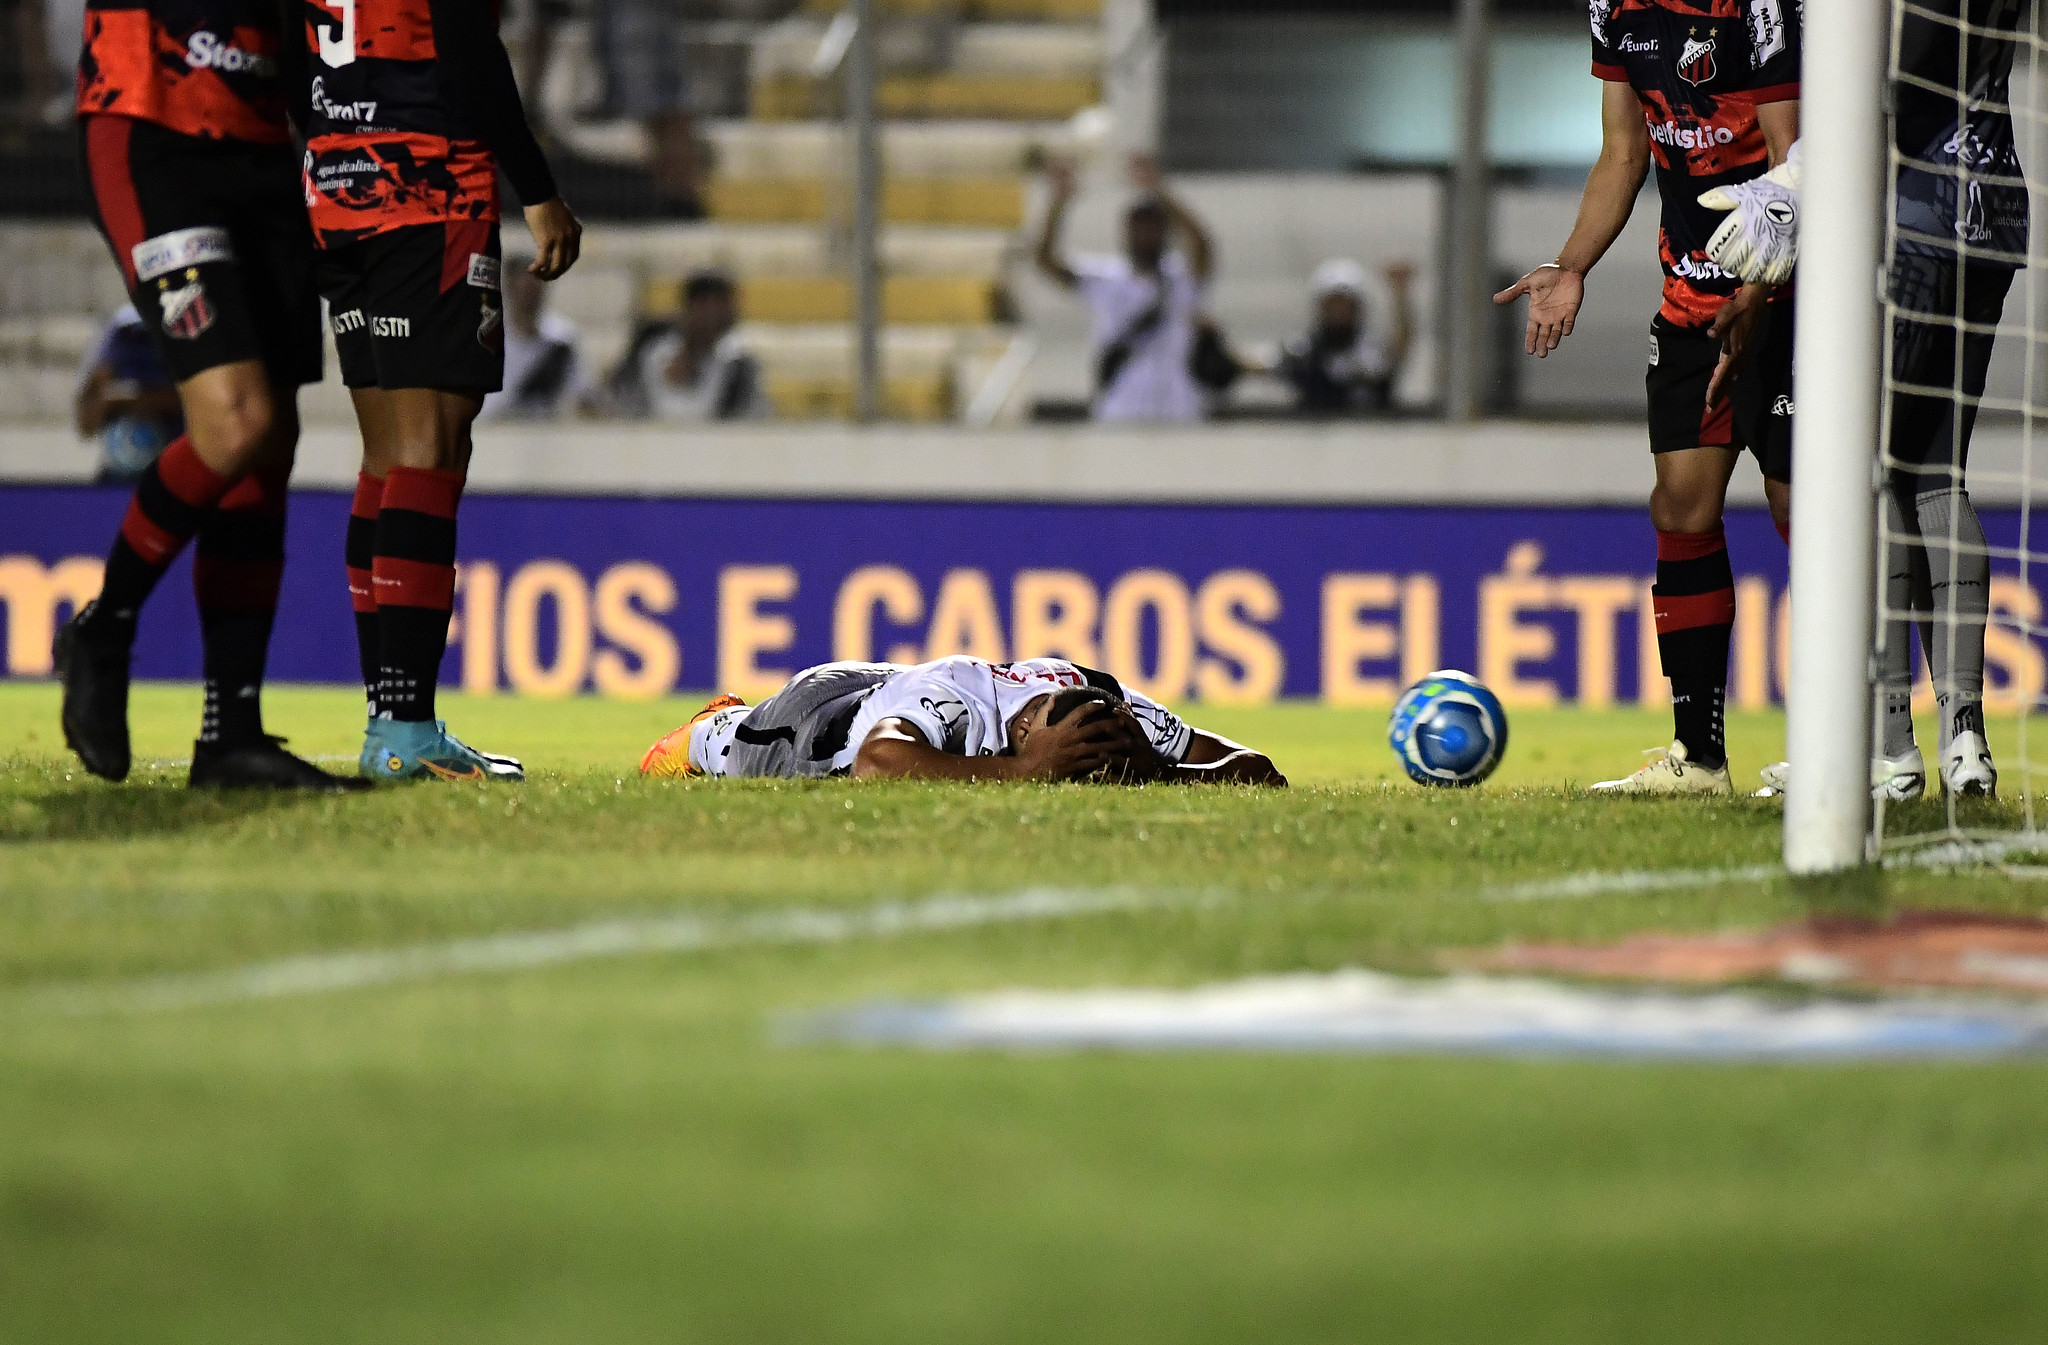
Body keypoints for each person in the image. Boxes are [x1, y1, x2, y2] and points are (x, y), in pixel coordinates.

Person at [1716, 0, 2025, 800]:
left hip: (1913, 212)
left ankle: (1885, 744)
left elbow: (1893, 78)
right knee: (1936, 470)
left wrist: (1797, 179)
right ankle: (1965, 737)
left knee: (1865, 470)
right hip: (1990, 203)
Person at [56, 0, 364, 791]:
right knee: (237, 421)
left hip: (261, 145)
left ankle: (231, 733)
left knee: (270, 441)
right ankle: (106, 626)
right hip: (151, 121)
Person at [1495, 0, 1799, 796]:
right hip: (1692, 303)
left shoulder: (1757, 6)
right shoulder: (1615, 7)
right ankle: (1698, 756)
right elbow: (1625, 150)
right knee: (1680, 507)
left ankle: (1851, 740)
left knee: (1802, 506)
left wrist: (1765, 288)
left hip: (1785, 299)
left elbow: (1791, 155)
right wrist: (1571, 266)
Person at [285, 0, 582, 782]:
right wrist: (538, 186)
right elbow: (463, 37)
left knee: (385, 456)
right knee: (432, 448)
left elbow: (288, 47)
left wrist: (332, 148)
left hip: (338, 187)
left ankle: (390, 715)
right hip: (428, 184)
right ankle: (405, 729)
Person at [638, 656, 1287, 786]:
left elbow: (1259, 771)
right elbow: (876, 761)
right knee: (729, 753)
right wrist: (1027, 771)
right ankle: (713, 720)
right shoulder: (960, 700)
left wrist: (1158, 772)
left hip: (893, 686)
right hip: (823, 715)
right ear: (1029, 733)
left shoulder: (1115, 706)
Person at [1035, 153, 1215, 424]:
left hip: (1176, 406)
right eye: (1138, 227)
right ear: (1125, 232)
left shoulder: (1179, 279)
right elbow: (1046, 261)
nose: (1145, 235)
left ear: (1166, 232)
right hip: (1122, 406)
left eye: (1153, 227)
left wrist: (1160, 190)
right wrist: (1058, 202)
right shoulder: (1106, 278)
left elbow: (1202, 245)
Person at [605, 271, 767, 422]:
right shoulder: (654, 352)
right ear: (688, 308)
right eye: (705, 305)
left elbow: (748, 421)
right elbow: (620, 407)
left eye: (721, 306)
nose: (713, 315)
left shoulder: (739, 364)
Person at [1277, 259, 1413, 416]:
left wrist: (1400, 296)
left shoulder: (1372, 353)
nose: (1339, 311)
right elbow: (1261, 364)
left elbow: (1401, 344)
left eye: (1345, 304)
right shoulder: (1301, 352)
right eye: (1332, 304)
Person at [478, 256, 595, 423]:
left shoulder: (563, 340)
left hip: (547, 434)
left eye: (536, 283)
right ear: (510, 287)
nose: (530, 290)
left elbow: (583, 395)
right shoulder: (485, 338)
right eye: (524, 284)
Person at [74, 303, 182, 483]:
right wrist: (111, 401)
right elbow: (86, 423)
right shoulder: (116, 333)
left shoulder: (180, 337)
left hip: (171, 474)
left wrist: (136, 400)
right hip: (120, 475)